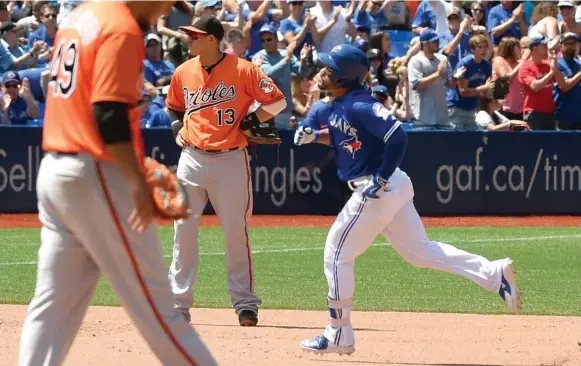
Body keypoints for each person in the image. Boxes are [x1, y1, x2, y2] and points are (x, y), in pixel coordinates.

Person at [17, 2, 218, 366]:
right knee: (159, 310)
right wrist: (136, 179)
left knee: (51, 307)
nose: (163, 11)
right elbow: (107, 115)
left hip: (57, 170)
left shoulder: (80, 16)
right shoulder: (121, 26)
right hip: (95, 171)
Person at [294, 44, 521, 356]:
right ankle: (492, 274)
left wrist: (381, 177)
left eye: (330, 69)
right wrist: (315, 135)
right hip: (390, 188)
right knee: (420, 252)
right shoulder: (340, 103)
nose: (324, 72)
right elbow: (346, 138)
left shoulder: (359, 105)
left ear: (345, 78)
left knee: (336, 252)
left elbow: (397, 136)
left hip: (379, 187)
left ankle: (338, 333)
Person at [167, 15, 286, 327]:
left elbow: (278, 102)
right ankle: (178, 305)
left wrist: (252, 119)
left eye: (194, 35)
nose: (188, 39)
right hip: (191, 158)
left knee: (236, 233)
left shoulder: (244, 69)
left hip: (231, 159)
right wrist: (178, 127)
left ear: (211, 39)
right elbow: (174, 106)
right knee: (183, 232)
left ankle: (245, 304)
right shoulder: (183, 72)